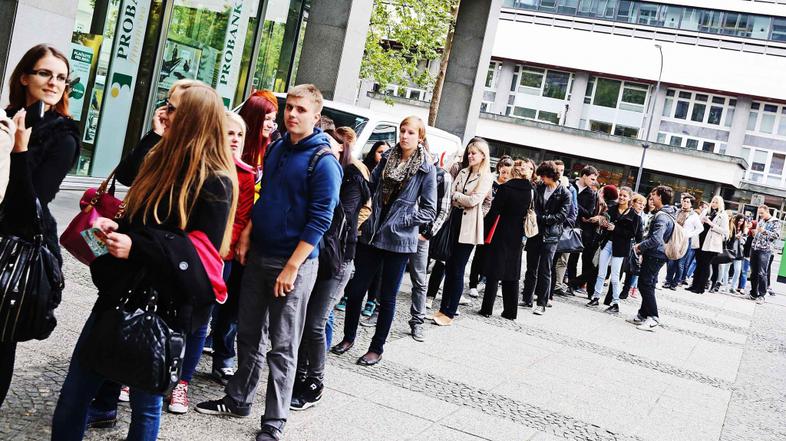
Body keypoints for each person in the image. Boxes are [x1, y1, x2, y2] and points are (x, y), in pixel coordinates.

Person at [51, 83, 237, 440]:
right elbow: (134, 211)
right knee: (73, 398)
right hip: (119, 296)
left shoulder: (216, 180)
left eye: (172, 108)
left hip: (164, 309)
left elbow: (199, 256)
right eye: (165, 105)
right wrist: (114, 227)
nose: (164, 113)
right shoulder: (157, 157)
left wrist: (136, 245)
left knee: (146, 407)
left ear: (194, 119)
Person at [196, 84, 342, 441]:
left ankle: (274, 422)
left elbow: (321, 219)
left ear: (316, 116)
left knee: (283, 345)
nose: (292, 114)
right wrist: (246, 232)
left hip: (293, 264)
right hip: (260, 253)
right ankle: (238, 398)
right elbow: (266, 197)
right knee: (248, 334)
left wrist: (292, 266)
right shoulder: (277, 148)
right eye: (289, 107)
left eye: (300, 110)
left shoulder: (323, 162)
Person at [1, 44, 80, 409]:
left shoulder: (62, 136)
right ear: (24, 77)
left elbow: (32, 202)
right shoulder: (6, 118)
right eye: (45, 73)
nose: (54, 82)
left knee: (1, 338)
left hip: (15, 247)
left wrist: (18, 152)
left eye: (61, 77)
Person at [330, 116, 436, 363]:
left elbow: (429, 210)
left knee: (386, 297)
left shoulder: (426, 168)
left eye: (411, 132)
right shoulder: (387, 158)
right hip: (373, 235)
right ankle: (349, 337)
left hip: (399, 241)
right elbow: (370, 186)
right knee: (356, 291)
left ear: (420, 137)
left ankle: (376, 348)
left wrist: (402, 220)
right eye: (402, 130)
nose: (405, 136)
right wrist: (366, 214)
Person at [290, 126, 368, 411]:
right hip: (316, 256)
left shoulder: (351, 177)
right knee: (302, 322)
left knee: (315, 323)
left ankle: (315, 382)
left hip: (337, 260)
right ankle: (298, 376)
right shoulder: (319, 170)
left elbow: (338, 218)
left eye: (332, 145)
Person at [200, 111, 256, 392]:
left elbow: (241, 217)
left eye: (239, 135)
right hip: (197, 249)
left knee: (226, 310)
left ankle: (222, 356)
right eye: (229, 133)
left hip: (226, 253)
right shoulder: (202, 164)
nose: (234, 139)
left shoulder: (246, 175)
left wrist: (223, 249)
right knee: (198, 310)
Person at [433, 138, 493, 326]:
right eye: (469, 152)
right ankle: (442, 308)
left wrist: (458, 197)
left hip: (468, 226)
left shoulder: (486, 176)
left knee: (458, 269)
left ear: (483, 156)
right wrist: (459, 198)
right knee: (448, 266)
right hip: (454, 221)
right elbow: (450, 194)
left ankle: (450, 312)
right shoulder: (463, 171)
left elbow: (474, 200)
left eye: (474, 153)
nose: (470, 155)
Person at [335, 140, 389, 314]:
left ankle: (372, 300)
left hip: (377, 226)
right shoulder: (364, 170)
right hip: (361, 228)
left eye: (386, 153)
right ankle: (347, 296)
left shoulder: (386, 174)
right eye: (380, 152)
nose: (382, 156)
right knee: (358, 264)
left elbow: (364, 207)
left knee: (377, 268)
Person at [478, 159, 532, 319]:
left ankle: (487, 309)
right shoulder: (530, 191)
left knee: (494, 271)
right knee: (512, 273)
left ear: (513, 173)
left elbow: (494, 212)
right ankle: (510, 311)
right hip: (518, 234)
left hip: (501, 231)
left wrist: (483, 230)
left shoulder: (505, 188)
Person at [522, 161, 571, 315]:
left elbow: (562, 216)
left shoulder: (564, 193)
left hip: (551, 236)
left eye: (544, 176)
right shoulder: (539, 187)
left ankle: (542, 303)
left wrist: (541, 218)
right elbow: (533, 206)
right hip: (535, 233)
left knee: (545, 269)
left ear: (551, 176)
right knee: (531, 268)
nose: (542, 179)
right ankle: (527, 298)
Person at [628, 186, 676, 331]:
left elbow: (656, 239)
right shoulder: (667, 213)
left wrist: (640, 247)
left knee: (645, 284)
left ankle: (653, 317)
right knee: (648, 283)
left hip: (656, 254)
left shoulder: (662, 216)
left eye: (654, 195)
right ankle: (643, 314)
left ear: (660, 197)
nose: (651, 198)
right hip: (658, 254)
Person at [587, 186, 640, 313]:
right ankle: (596, 297)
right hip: (607, 243)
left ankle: (616, 303)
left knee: (615, 276)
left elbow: (632, 233)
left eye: (625, 196)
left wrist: (615, 229)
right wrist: (605, 225)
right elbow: (606, 224)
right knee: (601, 272)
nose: (621, 197)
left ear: (630, 198)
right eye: (620, 195)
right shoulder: (612, 209)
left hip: (620, 247)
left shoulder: (634, 215)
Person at [468, 155, 513, 299]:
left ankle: (485, 280)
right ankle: (473, 283)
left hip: (500, 224)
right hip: (486, 220)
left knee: (493, 255)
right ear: (499, 169)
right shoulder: (490, 182)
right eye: (504, 172)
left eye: (508, 172)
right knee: (479, 252)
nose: (505, 175)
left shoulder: (510, 187)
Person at [687, 196, 728, 295]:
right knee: (699, 264)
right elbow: (697, 224)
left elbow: (725, 231)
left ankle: (701, 288)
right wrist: (702, 221)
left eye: (716, 202)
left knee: (705, 265)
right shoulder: (706, 211)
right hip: (701, 240)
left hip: (711, 244)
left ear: (720, 204)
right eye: (713, 201)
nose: (714, 204)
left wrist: (711, 224)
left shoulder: (723, 215)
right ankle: (694, 285)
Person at [568, 166, 599, 295]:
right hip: (566, 224)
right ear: (584, 175)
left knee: (575, 257)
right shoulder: (570, 186)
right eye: (592, 178)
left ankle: (572, 284)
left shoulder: (591, 194)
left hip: (580, 229)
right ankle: (565, 283)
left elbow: (588, 213)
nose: (593, 181)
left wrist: (573, 202)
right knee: (565, 258)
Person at [552, 159, 577, 297]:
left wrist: (562, 220)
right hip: (549, 230)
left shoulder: (569, 189)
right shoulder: (545, 186)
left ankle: (557, 285)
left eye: (561, 170)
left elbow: (574, 212)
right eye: (557, 170)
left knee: (562, 259)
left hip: (564, 229)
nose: (559, 173)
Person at [238, 89, 279, 174]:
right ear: (253, 119)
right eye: (267, 119)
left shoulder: (270, 150)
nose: (271, 125)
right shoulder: (235, 147)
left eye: (273, 120)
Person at [663, 194, 700, 289]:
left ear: (691, 204)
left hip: (685, 241)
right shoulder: (677, 212)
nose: (685, 203)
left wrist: (689, 235)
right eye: (684, 201)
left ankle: (675, 283)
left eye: (688, 202)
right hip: (674, 239)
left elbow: (700, 228)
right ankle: (668, 280)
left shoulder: (694, 215)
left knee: (680, 263)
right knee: (671, 261)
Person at [749, 204, 781, 304]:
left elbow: (776, 235)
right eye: (759, 213)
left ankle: (762, 295)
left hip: (765, 250)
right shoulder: (761, 221)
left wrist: (764, 231)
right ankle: (753, 293)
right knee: (753, 272)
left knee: (762, 273)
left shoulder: (776, 222)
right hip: (755, 248)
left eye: (762, 213)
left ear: (767, 211)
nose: (760, 215)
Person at [718, 214, 746, 293]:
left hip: (739, 252)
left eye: (742, 221)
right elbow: (727, 237)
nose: (740, 222)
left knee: (737, 270)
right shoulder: (731, 226)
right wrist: (735, 236)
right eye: (739, 220)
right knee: (726, 269)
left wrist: (741, 238)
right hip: (730, 250)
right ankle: (725, 286)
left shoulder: (743, 229)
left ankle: (733, 287)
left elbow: (745, 240)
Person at [738, 219, 755, 294]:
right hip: (742, 254)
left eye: (750, 223)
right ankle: (739, 287)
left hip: (748, 256)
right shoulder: (746, 232)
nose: (748, 224)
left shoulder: (753, 234)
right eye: (748, 223)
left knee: (744, 272)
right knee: (740, 271)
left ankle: (742, 287)